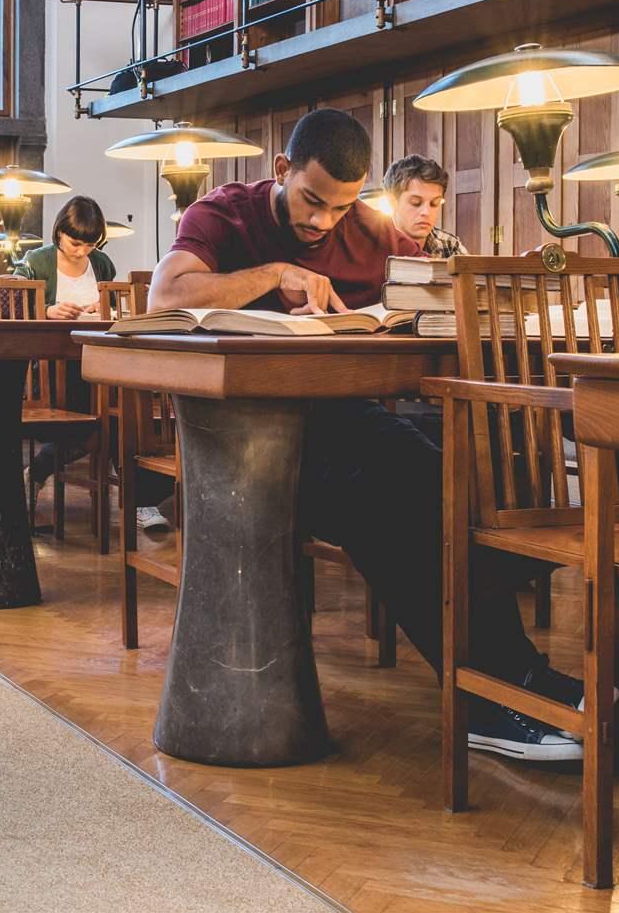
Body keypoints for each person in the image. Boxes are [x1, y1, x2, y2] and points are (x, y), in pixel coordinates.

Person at [149, 107, 587, 762]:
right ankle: (484, 699)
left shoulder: (368, 227)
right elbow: (165, 297)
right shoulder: (225, 213)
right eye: (311, 202)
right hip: (252, 444)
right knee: (392, 501)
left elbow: (433, 290)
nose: (324, 222)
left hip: (349, 418)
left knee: (442, 480)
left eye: (340, 207)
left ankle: (511, 677)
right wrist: (275, 274)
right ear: (281, 171)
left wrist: (488, 287)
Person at [17, 196, 172, 529]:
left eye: (90, 244)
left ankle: (139, 499)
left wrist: (100, 311)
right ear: (59, 232)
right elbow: (15, 301)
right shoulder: (37, 261)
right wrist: (47, 310)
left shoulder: (101, 263)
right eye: (75, 243)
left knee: (122, 417)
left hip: (97, 359)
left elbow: (113, 305)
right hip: (52, 369)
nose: (82, 252)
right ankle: (141, 503)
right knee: (105, 423)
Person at [383, 153, 464, 259]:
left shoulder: (451, 246)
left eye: (434, 203)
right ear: (392, 202)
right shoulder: (371, 246)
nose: (426, 212)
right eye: (416, 203)